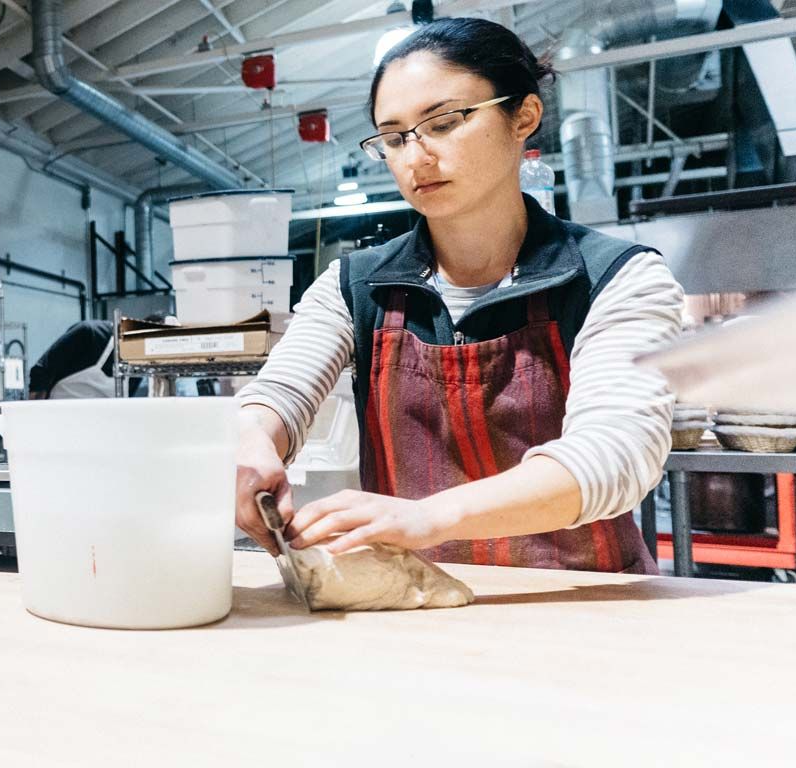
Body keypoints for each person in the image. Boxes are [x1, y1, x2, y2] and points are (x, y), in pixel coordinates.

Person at [233, 18, 684, 573]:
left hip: (588, 607)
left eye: (443, 123)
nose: (415, 157)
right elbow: (280, 392)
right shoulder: (357, 285)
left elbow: (615, 454)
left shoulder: (613, 276)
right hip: (417, 614)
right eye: (394, 138)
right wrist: (249, 441)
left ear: (524, 116)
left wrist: (427, 519)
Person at [26, 313, 170, 399]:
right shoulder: (89, 334)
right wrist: (34, 421)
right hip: (58, 423)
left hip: (97, 432)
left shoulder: (137, 366)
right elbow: (40, 372)